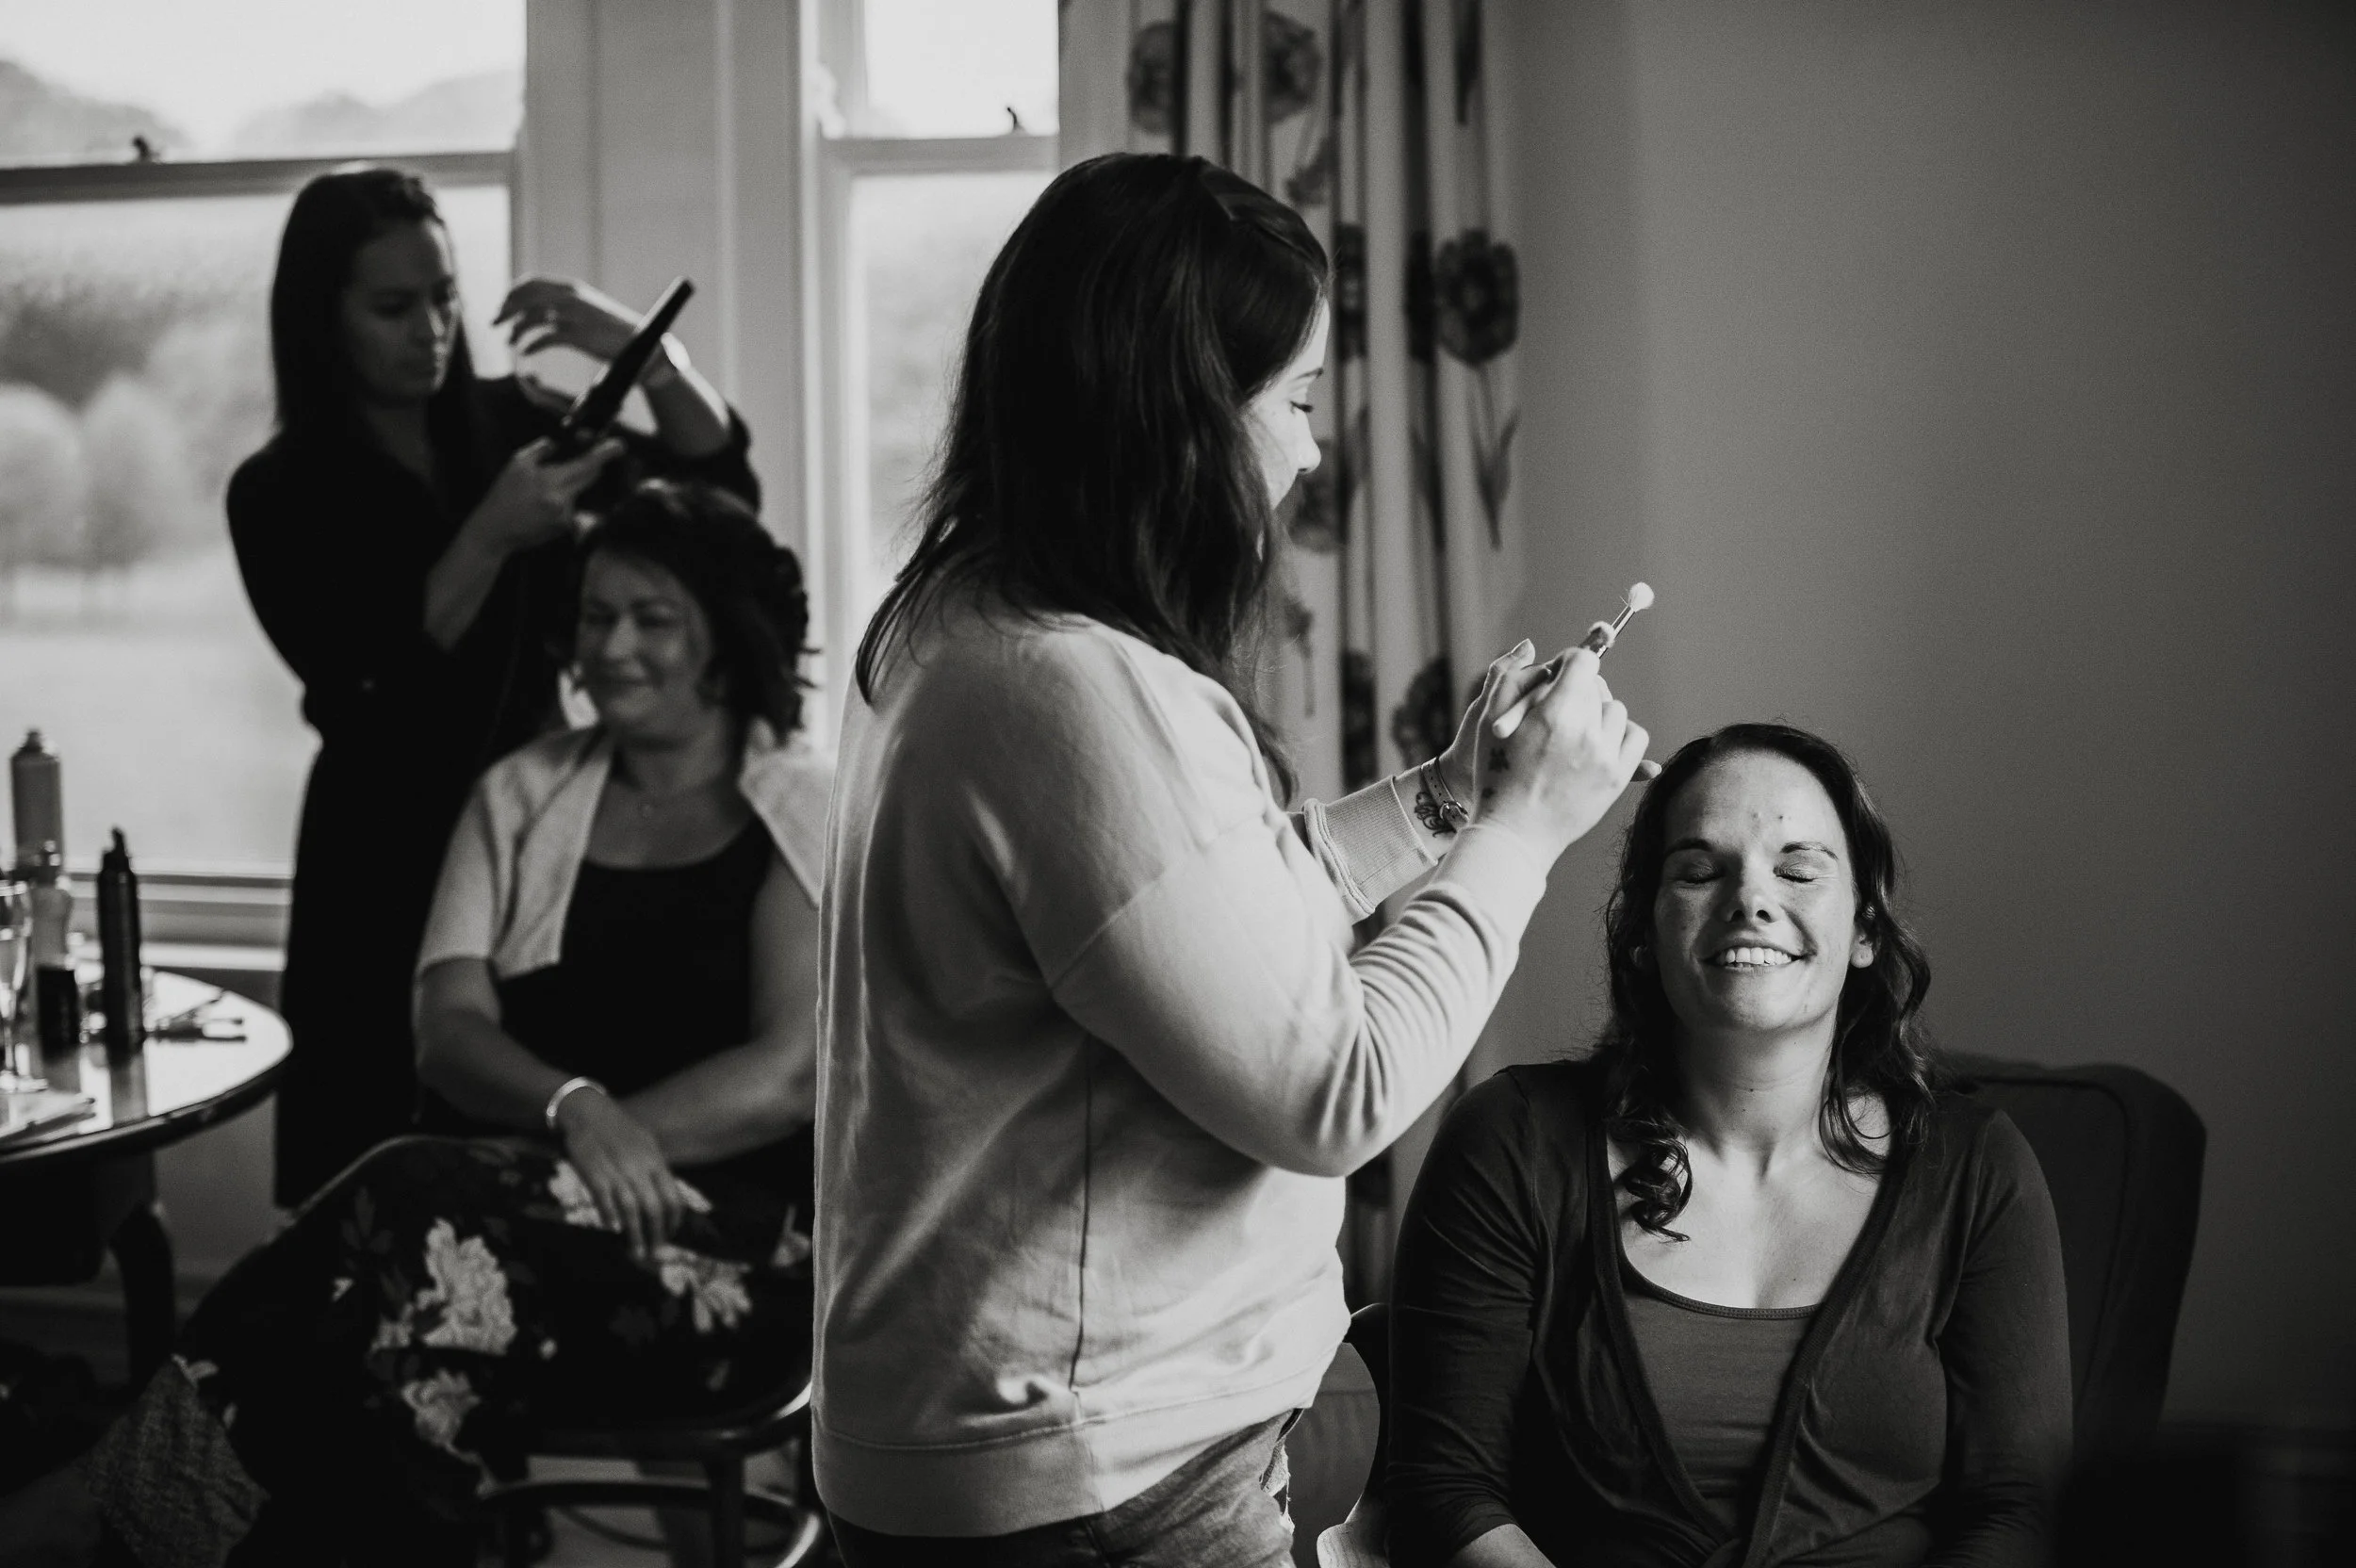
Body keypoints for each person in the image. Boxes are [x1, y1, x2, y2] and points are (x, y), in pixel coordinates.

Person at [814, 152, 1651, 1565]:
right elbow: (1334, 1090)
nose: (1313, 454)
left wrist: (1446, 800)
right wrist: (1528, 833)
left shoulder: (961, 628)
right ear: (1180, 416)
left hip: (1023, 1443)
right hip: (1098, 1482)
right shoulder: (1074, 693)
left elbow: (1190, 921)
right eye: (1300, 403)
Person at [63, 480, 827, 1567]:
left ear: (724, 640)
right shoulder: (518, 794)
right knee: (397, 1354)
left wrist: (596, 1141)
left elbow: (788, 1071)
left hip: (729, 1250)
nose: (609, 645)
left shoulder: (803, 807)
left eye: (651, 618)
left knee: (405, 1201)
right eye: (595, 615)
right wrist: (573, 1109)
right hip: (499, 1225)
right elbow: (446, 1024)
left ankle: (105, 1515)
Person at [1384, 724, 2073, 1568]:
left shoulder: (1978, 1169)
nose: (1750, 899)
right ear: (1642, 930)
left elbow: (2019, 1509)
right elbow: (1445, 1489)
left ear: (1864, 930)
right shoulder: (1514, 1140)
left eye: (1797, 869)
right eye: (1700, 870)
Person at [230, 165, 760, 1206]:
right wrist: (487, 536)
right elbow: (360, 675)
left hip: (535, 818)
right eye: (393, 306)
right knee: (371, 1170)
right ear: (319, 318)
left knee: (524, 1160)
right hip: (380, 850)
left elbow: (718, 488)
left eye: (443, 296)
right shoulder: (279, 493)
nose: (430, 327)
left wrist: (639, 351)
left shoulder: (511, 420)